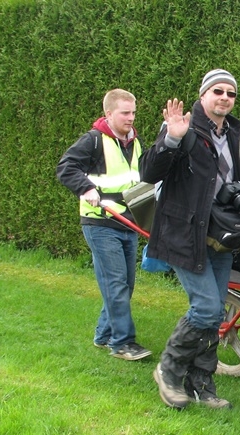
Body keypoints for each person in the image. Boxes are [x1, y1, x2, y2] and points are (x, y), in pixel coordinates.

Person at [140, 69, 240, 410]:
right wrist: (171, 139)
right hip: (184, 233)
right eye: (217, 91)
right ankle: (168, 370)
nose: (224, 98)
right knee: (205, 308)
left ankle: (202, 384)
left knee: (216, 313)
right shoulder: (183, 126)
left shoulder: (235, 133)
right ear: (203, 95)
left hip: (220, 234)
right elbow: (149, 173)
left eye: (230, 93)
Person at [56, 89, 151, 361]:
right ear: (109, 114)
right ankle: (122, 343)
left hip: (126, 222)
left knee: (125, 284)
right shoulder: (93, 141)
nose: (131, 118)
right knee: (116, 283)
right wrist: (85, 188)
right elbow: (66, 167)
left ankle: (103, 334)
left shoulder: (135, 142)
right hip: (99, 222)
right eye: (125, 113)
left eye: (133, 112)